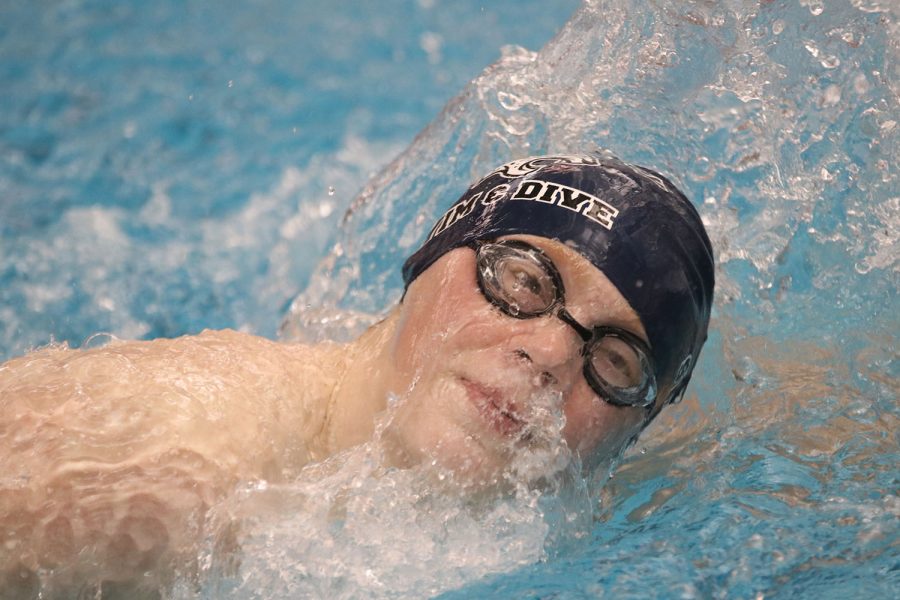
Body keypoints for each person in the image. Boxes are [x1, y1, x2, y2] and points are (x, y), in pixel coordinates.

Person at [0, 154, 714, 597]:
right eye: (523, 282)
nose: (552, 355)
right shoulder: (175, 467)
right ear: (425, 268)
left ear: (633, 430)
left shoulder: (607, 495)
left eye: (615, 361)